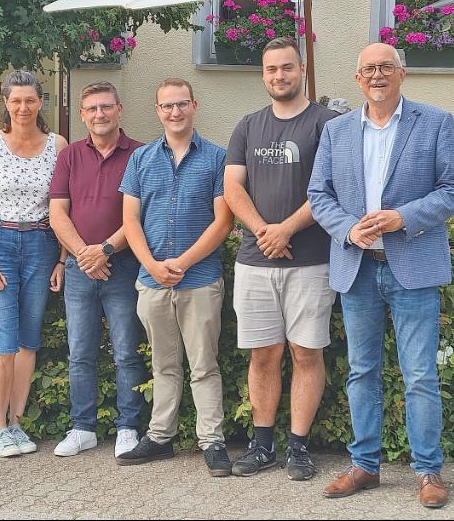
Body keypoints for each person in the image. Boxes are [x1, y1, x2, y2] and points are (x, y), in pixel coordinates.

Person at [308, 43, 454, 508]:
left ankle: (428, 471)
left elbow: (451, 189)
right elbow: (319, 194)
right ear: (357, 78)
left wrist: (402, 217)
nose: (377, 75)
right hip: (358, 268)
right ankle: (364, 466)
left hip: (413, 267)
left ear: (402, 74)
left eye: (386, 67)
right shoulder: (336, 131)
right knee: (361, 371)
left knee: (419, 375)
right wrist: (348, 229)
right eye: (368, 68)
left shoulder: (436, 122)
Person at [224, 37, 338, 481]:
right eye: (271, 69)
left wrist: (286, 229)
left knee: (306, 352)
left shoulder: (327, 124)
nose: (279, 76)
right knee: (263, 354)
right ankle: (263, 445)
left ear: (302, 69)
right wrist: (263, 232)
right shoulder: (247, 126)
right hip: (256, 262)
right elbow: (233, 187)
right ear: (263, 74)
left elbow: (330, 188)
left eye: (287, 67)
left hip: (311, 261)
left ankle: (299, 448)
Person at [117, 78, 234, 476]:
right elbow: (130, 220)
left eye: (182, 104)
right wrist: (151, 264)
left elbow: (223, 222)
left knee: (204, 366)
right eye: (167, 106)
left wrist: (181, 262)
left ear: (194, 106)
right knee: (163, 365)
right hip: (151, 282)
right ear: (158, 111)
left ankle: (212, 442)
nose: (175, 112)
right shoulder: (141, 159)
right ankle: (160, 437)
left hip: (199, 280)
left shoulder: (217, 158)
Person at [0, 70, 68, 457]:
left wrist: (62, 258)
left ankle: (16, 424)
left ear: (41, 102)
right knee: (5, 345)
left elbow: (64, 206)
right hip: (0, 242)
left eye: (30, 100)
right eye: (16, 101)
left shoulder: (58, 145)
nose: (23, 107)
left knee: (28, 342)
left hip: (42, 244)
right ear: (6, 103)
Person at [49, 81, 146, 458]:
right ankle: (83, 428)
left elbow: (140, 214)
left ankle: (128, 428)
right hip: (79, 270)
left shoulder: (140, 154)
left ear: (119, 109)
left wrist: (105, 251)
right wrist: (83, 255)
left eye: (106, 107)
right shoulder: (69, 156)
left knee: (126, 352)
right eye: (91, 108)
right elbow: (58, 212)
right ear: (82, 114)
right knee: (80, 352)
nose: (99, 114)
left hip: (123, 266)